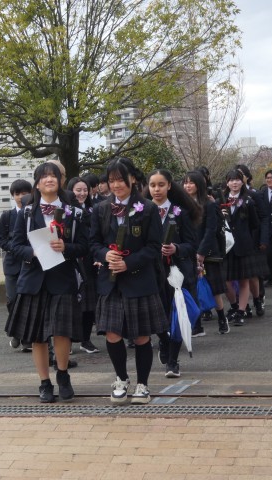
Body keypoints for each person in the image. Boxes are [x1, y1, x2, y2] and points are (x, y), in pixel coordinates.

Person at [5, 162, 88, 403]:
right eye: (44, 176)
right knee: (37, 336)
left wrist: (66, 247)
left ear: (60, 181)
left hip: (62, 278)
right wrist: (32, 252)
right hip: (34, 280)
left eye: (53, 176)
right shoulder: (26, 212)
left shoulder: (74, 212)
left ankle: (62, 375)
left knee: (62, 332)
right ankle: (44, 382)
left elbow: (84, 245)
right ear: (38, 183)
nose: (49, 179)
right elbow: (15, 244)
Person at [90, 158, 168, 405]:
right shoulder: (101, 209)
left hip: (139, 280)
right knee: (112, 334)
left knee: (141, 336)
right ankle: (121, 379)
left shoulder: (148, 208)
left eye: (121, 180)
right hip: (111, 281)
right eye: (111, 180)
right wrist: (105, 254)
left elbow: (154, 246)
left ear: (132, 179)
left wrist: (129, 262)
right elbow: (93, 243)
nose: (116, 185)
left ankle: (143, 384)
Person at [145, 169, 200, 379]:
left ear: (169, 185)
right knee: (155, 314)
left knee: (177, 315)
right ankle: (164, 340)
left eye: (161, 185)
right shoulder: (140, 211)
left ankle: (173, 361)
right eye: (152, 185)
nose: (156, 189)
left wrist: (176, 248)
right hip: (150, 272)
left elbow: (191, 244)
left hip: (176, 274)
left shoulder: (180, 213)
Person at [183, 170, 230, 334]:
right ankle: (197, 325)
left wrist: (202, 252)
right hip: (189, 250)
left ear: (199, 185)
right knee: (193, 288)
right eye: (185, 182)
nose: (188, 186)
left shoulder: (209, 204)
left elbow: (211, 229)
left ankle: (222, 318)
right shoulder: (181, 204)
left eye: (191, 182)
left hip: (208, 251)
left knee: (213, 288)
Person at [221, 170, 261, 326]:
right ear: (227, 182)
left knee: (244, 280)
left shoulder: (248, 201)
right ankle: (234, 305)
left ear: (242, 182)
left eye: (237, 180)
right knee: (226, 280)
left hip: (243, 244)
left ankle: (241, 311)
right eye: (231, 180)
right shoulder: (220, 200)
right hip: (226, 245)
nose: (234, 183)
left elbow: (255, 224)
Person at [0, 179, 33, 351]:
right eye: (17, 194)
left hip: (30, 265)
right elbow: (0, 240)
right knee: (12, 300)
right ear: (12, 196)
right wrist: (16, 248)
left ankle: (26, 338)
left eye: (24, 193)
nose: (20, 197)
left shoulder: (34, 213)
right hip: (12, 265)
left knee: (27, 301)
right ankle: (16, 333)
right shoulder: (7, 216)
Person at [67, 176, 99, 354]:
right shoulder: (66, 211)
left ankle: (86, 340)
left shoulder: (94, 210)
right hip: (72, 261)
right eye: (78, 190)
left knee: (89, 305)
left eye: (85, 190)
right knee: (72, 304)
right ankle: (68, 341)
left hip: (90, 262)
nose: (82, 193)